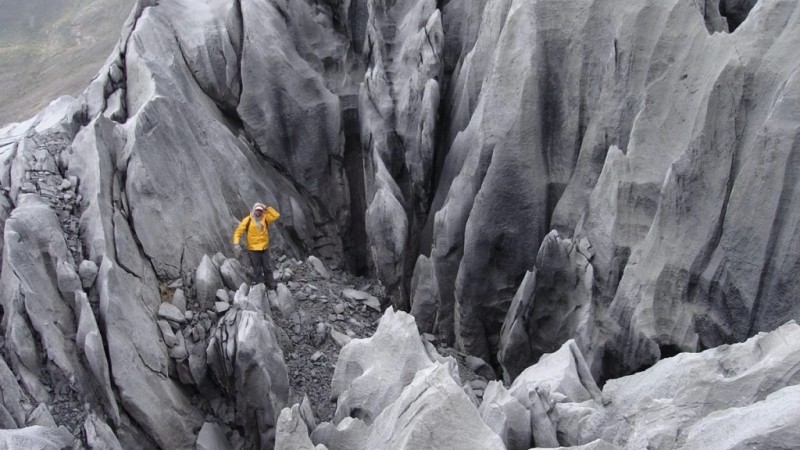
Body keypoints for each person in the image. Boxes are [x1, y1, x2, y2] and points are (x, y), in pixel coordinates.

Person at [232, 202, 280, 289]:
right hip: (253, 249)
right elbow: (238, 232)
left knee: (267, 267)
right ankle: (260, 284)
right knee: (257, 268)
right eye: (257, 210)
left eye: (260, 210)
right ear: (254, 210)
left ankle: (271, 283)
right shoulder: (247, 220)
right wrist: (236, 243)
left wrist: (266, 207)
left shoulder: (265, 218)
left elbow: (276, 215)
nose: (259, 212)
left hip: (264, 248)